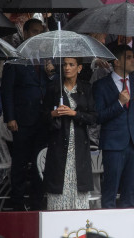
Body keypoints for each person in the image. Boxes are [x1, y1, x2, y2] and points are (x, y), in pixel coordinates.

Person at [93, 45, 134, 208]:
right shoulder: (101, 85)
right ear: (117, 62)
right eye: (129, 57)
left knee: (130, 194)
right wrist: (119, 103)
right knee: (110, 193)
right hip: (113, 145)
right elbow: (98, 117)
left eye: (133, 57)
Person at [0, 18, 47, 211]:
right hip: (22, 120)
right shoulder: (14, 58)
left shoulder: (45, 58)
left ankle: (37, 201)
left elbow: (49, 86)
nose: (37, 35)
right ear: (25, 33)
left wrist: (51, 73)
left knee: (39, 162)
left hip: (42, 119)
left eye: (40, 31)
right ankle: (18, 201)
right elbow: (7, 91)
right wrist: (10, 117)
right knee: (20, 162)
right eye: (34, 31)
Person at [42, 57, 96, 210]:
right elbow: (42, 116)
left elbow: (93, 117)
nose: (67, 68)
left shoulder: (86, 88)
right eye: (65, 64)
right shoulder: (54, 88)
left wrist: (74, 113)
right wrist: (53, 114)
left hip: (79, 147)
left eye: (71, 65)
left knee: (79, 189)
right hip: (58, 146)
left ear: (79, 68)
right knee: (58, 190)